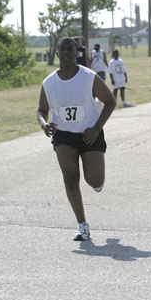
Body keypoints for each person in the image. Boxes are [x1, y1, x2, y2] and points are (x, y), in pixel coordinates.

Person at [37, 37, 116, 241]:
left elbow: (110, 101)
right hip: (63, 135)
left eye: (70, 49)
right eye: (62, 49)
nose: (66, 52)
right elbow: (41, 110)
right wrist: (44, 124)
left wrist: (96, 128)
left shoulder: (88, 77)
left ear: (77, 52)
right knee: (70, 178)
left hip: (89, 133)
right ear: (56, 53)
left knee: (95, 180)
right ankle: (82, 225)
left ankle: (97, 181)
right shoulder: (49, 82)